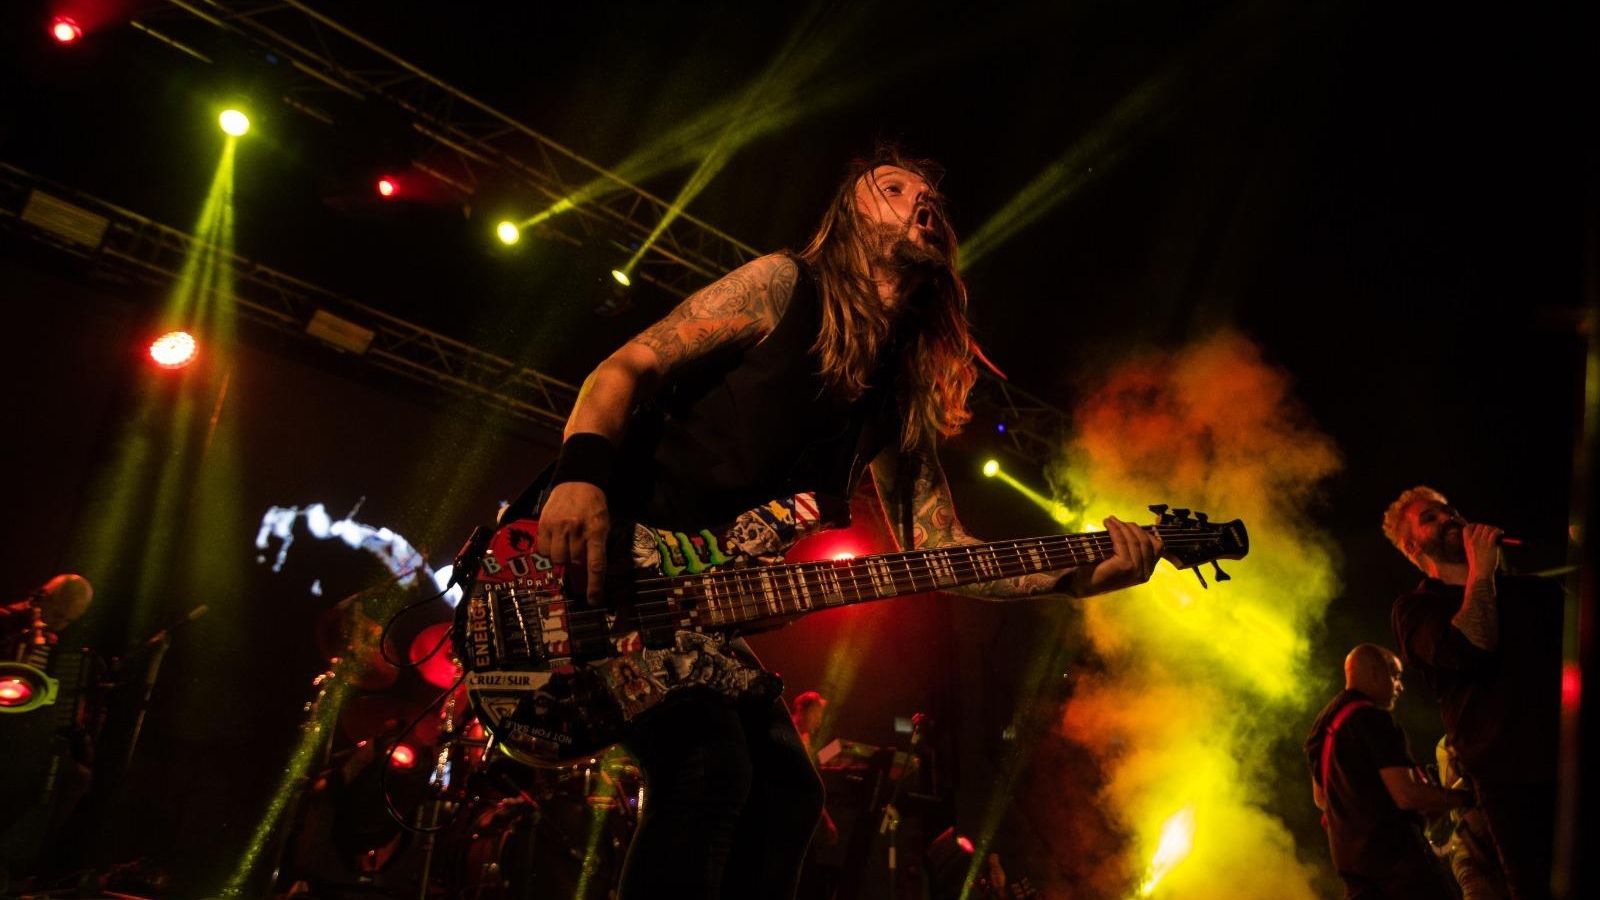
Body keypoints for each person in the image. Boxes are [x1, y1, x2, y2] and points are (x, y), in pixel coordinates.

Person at [534, 148, 1164, 899]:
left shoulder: (896, 396)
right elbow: (622, 369)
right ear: (848, 218)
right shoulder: (782, 284)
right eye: (894, 189)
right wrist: (579, 480)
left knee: (788, 796)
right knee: (710, 769)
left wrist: (1077, 576)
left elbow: (938, 545)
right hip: (610, 570)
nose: (922, 201)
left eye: (932, 196)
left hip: (696, 620)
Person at [1385, 486, 1563, 900]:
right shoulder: (1416, 609)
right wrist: (1481, 573)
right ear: (1413, 548)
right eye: (1430, 517)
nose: (1449, 518)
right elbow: (1472, 645)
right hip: (1510, 783)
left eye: (1451, 510)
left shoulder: (1531, 592)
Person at [1305, 644, 1471, 899]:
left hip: (1354, 869)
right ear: (1374, 672)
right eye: (1395, 674)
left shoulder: (1324, 725)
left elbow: (1321, 799)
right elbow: (1406, 795)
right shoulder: (1374, 720)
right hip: (1401, 867)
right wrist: (1463, 798)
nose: (1400, 686)